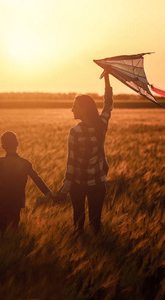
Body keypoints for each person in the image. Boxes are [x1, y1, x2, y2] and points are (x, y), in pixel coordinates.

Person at [54, 74, 113, 235]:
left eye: (75, 106)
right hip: (98, 184)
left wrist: (63, 190)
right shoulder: (101, 124)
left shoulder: (75, 132)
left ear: (85, 109)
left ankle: (82, 246)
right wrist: (107, 79)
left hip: (78, 185)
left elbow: (71, 165)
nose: (72, 109)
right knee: (96, 224)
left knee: (78, 225)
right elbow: (108, 105)